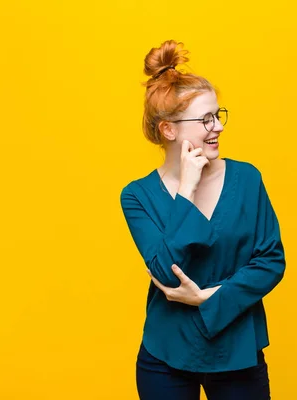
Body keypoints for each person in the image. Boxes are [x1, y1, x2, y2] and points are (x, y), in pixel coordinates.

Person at [119, 40, 286, 400]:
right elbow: (164, 272)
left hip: (237, 348)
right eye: (206, 119)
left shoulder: (248, 179)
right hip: (166, 354)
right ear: (169, 130)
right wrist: (188, 190)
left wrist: (211, 297)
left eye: (218, 115)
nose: (218, 127)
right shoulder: (136, 196)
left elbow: (272, 260)